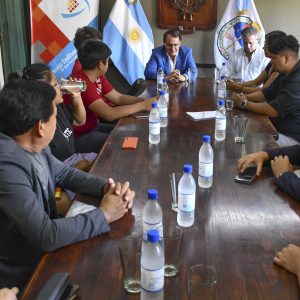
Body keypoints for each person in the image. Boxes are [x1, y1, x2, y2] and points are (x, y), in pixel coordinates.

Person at [0, 79, 135, 291]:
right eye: (55, 116)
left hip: (43, 245)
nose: (58, 120)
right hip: (23, 270)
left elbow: (64, 172)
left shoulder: (29, 141)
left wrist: (107, 187)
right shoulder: (6, 166)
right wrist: (105, 214)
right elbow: (45, 235)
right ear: (40, 126)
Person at [8, 63, 106, 162]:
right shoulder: (37, 123)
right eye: (55, 84)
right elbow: (55, 170)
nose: (60, 86)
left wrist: (76, 97)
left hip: (73, 160)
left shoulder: (57, 107)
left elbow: (80, 121)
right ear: (43, 91)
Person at [71, 39, 156, 141]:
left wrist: (146, 102)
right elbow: (109, 114)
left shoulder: (98, 75)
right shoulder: (82, 83)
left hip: (94, 126)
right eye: (107, 60)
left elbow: (118, 98)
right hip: (79, 136)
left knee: (134, 133)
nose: (108, 63)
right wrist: (143, 105)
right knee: (123, 141)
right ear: (100, 65)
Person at [231, 34, 300, 147]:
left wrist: (244, 103)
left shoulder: (297, 80)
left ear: (286, 58)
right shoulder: (286, 72)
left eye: (273, 57)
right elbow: (264, 94)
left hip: (291, 138)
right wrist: (243, 97)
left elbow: (273, 110)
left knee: (246, 139)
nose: (271, 61)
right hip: (275, 127)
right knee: (241, 132)